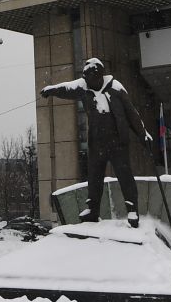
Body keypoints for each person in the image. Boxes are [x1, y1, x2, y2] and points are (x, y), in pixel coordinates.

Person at [40, 58, 152, 227]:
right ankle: (93, 210)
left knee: (125, 176)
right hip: (97, 142)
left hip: (117, 142)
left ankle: (132, 209)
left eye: (89, 78)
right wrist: (51, 90)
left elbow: (132, 114)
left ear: (98, 76)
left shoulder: (116, 88)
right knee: (94, 177)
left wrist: (143, 134)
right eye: (85, 78)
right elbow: (68, 88)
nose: (86, 81)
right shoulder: (84, 87)